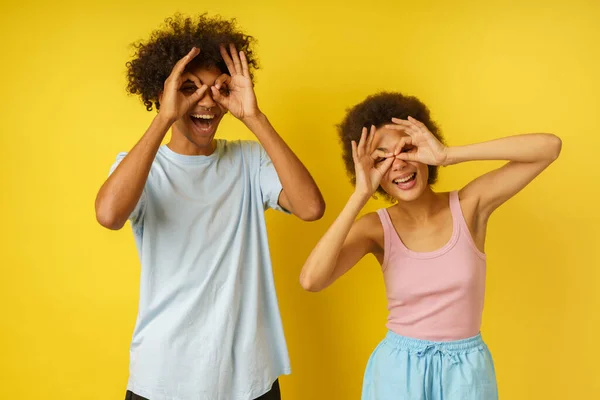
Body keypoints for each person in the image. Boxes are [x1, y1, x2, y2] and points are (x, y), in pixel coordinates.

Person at [95, 14, 325, 400]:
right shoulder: (142, 167)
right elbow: (108, 215)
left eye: (217, 88)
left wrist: (255, 117)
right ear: (163, 92)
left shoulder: (249, 161)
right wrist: (164, 117)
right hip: (164, 376)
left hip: (249, 377)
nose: (205, 101)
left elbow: (310, 207)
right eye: (189, 88)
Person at [299, 92, 561, 399]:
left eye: (406, 149)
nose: (396, 165)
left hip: (466, 373)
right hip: (399, 372)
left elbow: (549, 148)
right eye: (381, 159)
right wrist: (359, 195)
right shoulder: (376, 228)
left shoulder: (469, 206)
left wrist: (448, 154)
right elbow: (311, 280)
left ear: (425, 145)